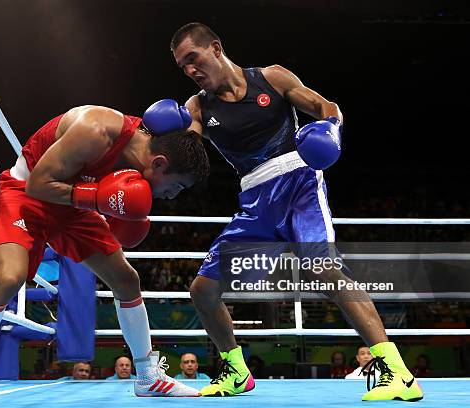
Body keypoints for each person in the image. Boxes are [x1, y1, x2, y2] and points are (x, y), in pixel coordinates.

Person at [169, 22, 423, 401]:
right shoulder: (197, 107)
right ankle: (236, 371)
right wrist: (164, 134)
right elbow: (187, 151)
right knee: (203, 291)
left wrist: (331, 129)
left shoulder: (271, 78)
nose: (190, 70)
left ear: (216, 48)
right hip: (254, 200)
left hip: (299, 181)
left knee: (326, 271)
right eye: (182, 66)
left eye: (193, 58)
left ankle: (397, 371)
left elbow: (325, 107)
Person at [0, 104, 209, 403]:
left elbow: (192, 126)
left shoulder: (154, 145)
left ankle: (147, 376)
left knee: (126, 279)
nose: (172, 195)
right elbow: (38, 185)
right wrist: (97, 199)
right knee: (10, 278)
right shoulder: (96, 131)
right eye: (176, 185)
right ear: (160, 163)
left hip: (72, 204)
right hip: (27, 193)